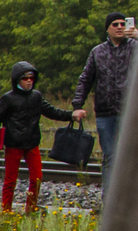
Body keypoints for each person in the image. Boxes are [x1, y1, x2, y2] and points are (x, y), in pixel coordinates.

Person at [2, 62, 80, 214]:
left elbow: (51, 111)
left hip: (32, 142)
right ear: (17, 79)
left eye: (31, 77)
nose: (29, 81)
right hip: (13, 144)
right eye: (25, 78)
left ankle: (30, 209)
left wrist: (71, 115)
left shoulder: (36, 96)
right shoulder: (8, 99)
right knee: (10, 181)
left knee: (37, 178)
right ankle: (6, 211)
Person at [73, 13, 136, 199]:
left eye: (123, 24)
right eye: (115, 24)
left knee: (131, 156)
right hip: (105, 113)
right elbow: (85, 80)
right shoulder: (97, 52)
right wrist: (77, 104)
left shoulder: (137, 47)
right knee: (110, 157)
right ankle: (109, 200)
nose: (119, 27)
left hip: (130, 112)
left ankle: (129, 199)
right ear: (108, 28)